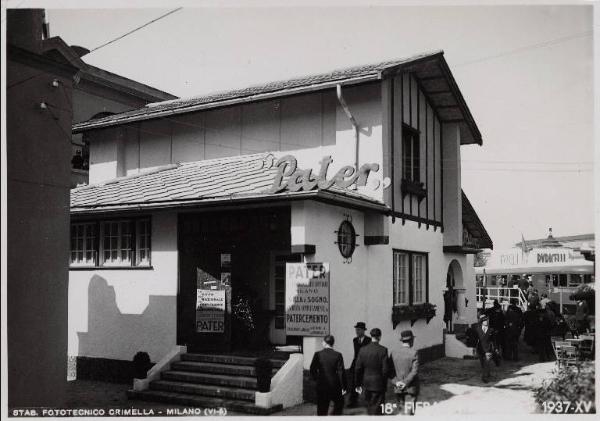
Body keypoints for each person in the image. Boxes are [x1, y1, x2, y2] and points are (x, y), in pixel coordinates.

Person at [310, 335, 347, 415]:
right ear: (332, 343)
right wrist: (344, 387)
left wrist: (317, 379)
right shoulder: (338, 355)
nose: (322, 342)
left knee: (321, 409)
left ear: (325, 343)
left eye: (323, 341)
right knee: (338, 406)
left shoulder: (318, 354)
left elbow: (312, 369)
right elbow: (341, 372)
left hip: (322, 385)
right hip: (335, 385)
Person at [354, 328, 389, 415]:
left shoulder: (363, 350)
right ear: (380, 337)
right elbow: (385, 370)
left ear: (371, 336)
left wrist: (358, 384)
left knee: (369, 406)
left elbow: (357, 368)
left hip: (367, 382)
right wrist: (384, 383)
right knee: (378, 409)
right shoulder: (383, 350)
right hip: (378, 383)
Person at [389, 330, 419, 416]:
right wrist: (405, 382)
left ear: (402, 340)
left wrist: (397, 382)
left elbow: (390, 371)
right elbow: (414, 371)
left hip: (398, 388)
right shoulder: (414, 353)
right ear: (411, 340)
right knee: (409, 413)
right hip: (410, 388)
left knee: (402, 412)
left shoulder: (393, 353)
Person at [348, 322, 371, 407]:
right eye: (356, 330)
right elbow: (356, 353)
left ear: (363, 331)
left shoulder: (369, 340)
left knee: (367, 384)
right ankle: (353, 402)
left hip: (365, 365)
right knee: (354, 383)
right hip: (356, 365)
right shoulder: (354, 340)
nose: (357, 331)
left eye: (358, 330)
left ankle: (368, 402)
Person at [474, 314, 497, 383]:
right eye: (485, 320)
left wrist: (495, 348)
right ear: (482, 321)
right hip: (480, 349)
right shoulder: (477, 329)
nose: (487, 321)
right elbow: (475, 340)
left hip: (488, 349)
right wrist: (474, 348)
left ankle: (485, 377)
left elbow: (494, 340)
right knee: (483, 363)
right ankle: (488, 374)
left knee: (486, 363)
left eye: (487, 320)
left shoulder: (491, 330)